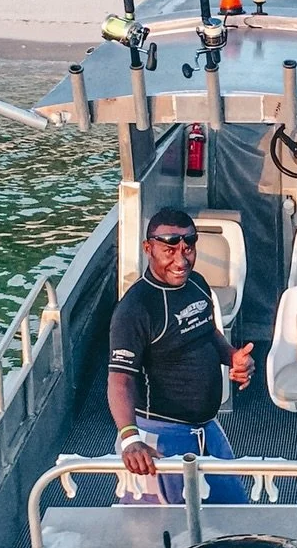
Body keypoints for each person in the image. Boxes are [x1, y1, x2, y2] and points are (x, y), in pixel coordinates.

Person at [108, 206, 255, 505]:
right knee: (164, 533)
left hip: (207, 431)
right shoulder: (135, 309)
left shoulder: (198, 284)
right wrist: (130, 439)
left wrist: (233, 357)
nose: (181, 259)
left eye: (188, 248)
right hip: (159, 441)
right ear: (148, 248)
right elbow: (119, 381)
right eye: (169, 249)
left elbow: (208, 333)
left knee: (234, 511)